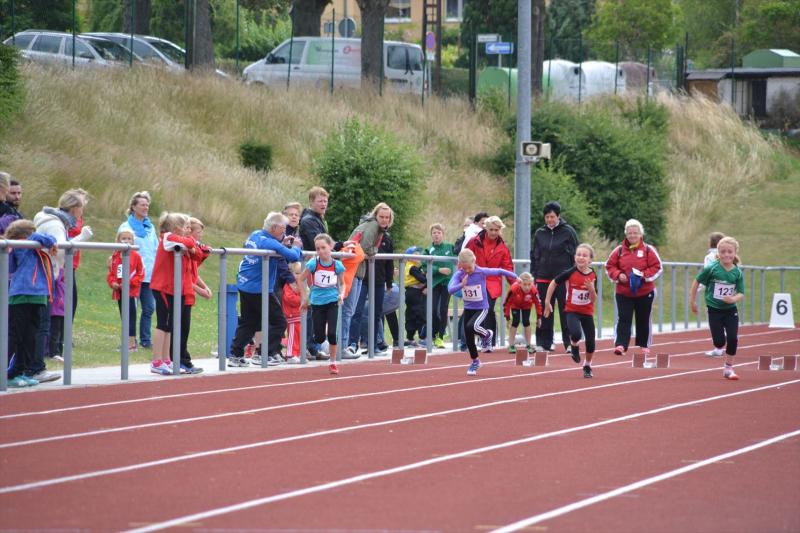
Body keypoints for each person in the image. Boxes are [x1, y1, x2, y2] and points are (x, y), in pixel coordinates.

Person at [228, 212, 303, 367]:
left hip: (245, 284)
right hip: (259, 288)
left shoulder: (256, 235)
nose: (285, 232)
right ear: (274, 227)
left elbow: (272, 246)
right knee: (279, 322)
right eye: (283, 229)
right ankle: (265, 353)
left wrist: (281, 242)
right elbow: (293, 256)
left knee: (249, 322)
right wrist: (296, 247)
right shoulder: (269, 242)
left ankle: (235, 354)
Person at [33, 189, 93, 370]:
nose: (82, 212)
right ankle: (36, 366)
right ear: (74, 208)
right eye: (81, 208)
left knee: (43, 321)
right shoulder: (56, 224)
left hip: (46, 273)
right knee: (43, 322)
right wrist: (82, 238)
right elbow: (60, 250)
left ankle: (35, 365)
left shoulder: (57, 221)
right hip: (45, 274)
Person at [149, 212, 203, 375]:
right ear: (176, 228)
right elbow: (190, 243)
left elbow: (198, 253)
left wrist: (191, 245)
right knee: (163, 324)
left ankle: (167, 360)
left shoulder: (178, 241)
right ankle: (156, 361)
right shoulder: (168, 237)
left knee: (169, 326)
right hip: (163, 287)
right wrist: (191, 242)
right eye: (186, 227)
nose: (189, 230)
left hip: (173, 289)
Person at [448, 248, 517, 376]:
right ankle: (475, 361)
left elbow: (499, 271)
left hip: (482, 307)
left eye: (469, 268)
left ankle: (487, 335)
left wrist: (516, 278)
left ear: (474, 261)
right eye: (464, 268)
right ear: (460, 265)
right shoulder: (459, 274)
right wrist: (461, 285)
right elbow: (450, 289)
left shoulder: (481, 271)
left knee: (472, 326)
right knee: (469, 337)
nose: (467, 271)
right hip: (468, 308)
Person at [5, 220, 57, 388]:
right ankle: (8, 372)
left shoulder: (34, 248)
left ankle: (21, 371)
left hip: (38, 296)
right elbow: (47, 239)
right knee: (16, 335)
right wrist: (41, 239)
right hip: (22, 295)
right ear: (25, 236)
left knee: (30, 337)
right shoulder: (22, 246)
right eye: (33, 233)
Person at [605, 219, 663, 357]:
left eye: (635, 233)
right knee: (623, 318)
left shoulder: (648, 250)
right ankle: (621, 344)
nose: (632, 235)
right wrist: (618, 275)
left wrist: (643, 276)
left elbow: (658, 267)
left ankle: (644, 345)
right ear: (626, 234)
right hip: (623, 292)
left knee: (643, 318)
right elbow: (609, 266)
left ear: (641, 234)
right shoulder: (619, 250)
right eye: (629, 233)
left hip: (644, 292)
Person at [690, 237, 744, 380]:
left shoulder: (737, 272)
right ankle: (720, 342)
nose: (726, 255)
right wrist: (692, 301)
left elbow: (741, 293)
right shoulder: (712, 268)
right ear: (718, 253)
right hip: (714, 309)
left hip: (730, 310)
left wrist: (733, 299)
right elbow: (696, 282)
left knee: (733, 338)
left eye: (729, 252)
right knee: (719, 342)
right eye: (723, 252)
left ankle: (728, 368)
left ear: (735, 253)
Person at [345, 202, 393, 357]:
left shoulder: (384, 234)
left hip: (376, 278)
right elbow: (365, 247)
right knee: (356, 311)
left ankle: (373, 345)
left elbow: (389, 262)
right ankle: (352, 344)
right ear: (375, 216)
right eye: (381, 216)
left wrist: (389, 282)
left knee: (376, 312)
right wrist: (374, 250)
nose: (384, 220)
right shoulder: (372, 226)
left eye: (387, 217)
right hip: (361, 274)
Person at [543, 244, 599, 378]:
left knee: (591, 343)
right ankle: (574, 345)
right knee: (576, 333)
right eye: (578, 255)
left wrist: (591, 289)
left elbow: (593, 299)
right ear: (574, 257)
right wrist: (547, 301)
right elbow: (553, 283)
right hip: (572, 310)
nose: (581, 257)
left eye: (584, 255)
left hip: (587, 312)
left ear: (590, 260)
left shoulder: (593, 275)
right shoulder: (570, 272)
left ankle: (587, 366)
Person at [530, 201, 579, 353]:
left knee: (566, 310)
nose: (550, 220)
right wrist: (534, 275)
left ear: (558, 216)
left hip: (563, 278)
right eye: (547, 217)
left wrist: (574, 274)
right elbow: (535, 255)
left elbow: (576, 254)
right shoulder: (539, 233)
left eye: (552, 217)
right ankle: (544, 342)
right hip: (543, 277)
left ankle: (569, 343)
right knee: (544, 310)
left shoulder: (568, 231)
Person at [465, 215, 513, 351]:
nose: (493, 232)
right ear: (485, 228)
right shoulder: (474, 241)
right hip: (475, 281)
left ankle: (488, 342)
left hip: (492, 283)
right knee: (476, 311)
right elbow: (465, 257)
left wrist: (514, 283)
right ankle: (481, 338)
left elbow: (508, 267)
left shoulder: (503, 248)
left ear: (500, 230)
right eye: (491, 229)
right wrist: (461, 275)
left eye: (496, 230)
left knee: (488, 309)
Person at [119, 192, 159, 349]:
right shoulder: (126, 227)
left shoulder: (150, 227)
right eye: (142, 204)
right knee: (131, 309)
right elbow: (120, 249)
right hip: (133, 275)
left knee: (149, 308)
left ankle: (145, 340)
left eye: (147, 205)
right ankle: (130, 340)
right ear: (134, 207)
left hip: (149, 275)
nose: (146, 207)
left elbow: (155, 248)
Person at [302, 233, 346, 374]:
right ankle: (321, 335)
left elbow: (342, 283)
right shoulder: (313, 263)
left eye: (323, 247)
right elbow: (301, 279)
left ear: (330, 247)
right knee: (319, 337)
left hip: (332, 301)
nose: (320, 251)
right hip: (317, 303)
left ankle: (332, 362)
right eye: (318, 248)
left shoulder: (337, 265)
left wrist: (341, 294)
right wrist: (305, 298)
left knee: (332, 334)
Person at [299, 187, 330, 360]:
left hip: (317, 269)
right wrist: (336, 248)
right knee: (310, 308)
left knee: (315, 309)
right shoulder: (309, 221)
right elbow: (318, 244)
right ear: (311, 202)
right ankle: (307, 347)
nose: (323, 204)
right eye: (320, 201)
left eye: (325, 201)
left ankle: (312, 346)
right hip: (311, 268)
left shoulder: (318, 219)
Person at [107, 228, 145, 352]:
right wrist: (113, 283)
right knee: (124, 317)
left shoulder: (136, 256)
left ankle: (131, 344)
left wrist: (129, 283)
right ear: (118, 240)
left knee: (131, 317)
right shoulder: (115, 256)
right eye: (124, 238)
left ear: (133, 241)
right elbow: (111, 273)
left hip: (131, 292)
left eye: (129, 239)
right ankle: (126, 342)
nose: (126, 241)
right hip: (119, 292)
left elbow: (141, 274)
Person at [425, 223, 455, 348]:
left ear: (443, 234)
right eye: (434, 233)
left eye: (439, 233)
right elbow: (424, 266)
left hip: (447, 283)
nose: (436, 235)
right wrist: (438, 270)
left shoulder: (450, 247)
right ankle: (434, 334)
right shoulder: (428, 250)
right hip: (435, 283)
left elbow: (459, 259)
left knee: (443, 309)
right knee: (433, 310)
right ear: (431, 235)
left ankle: (440, 337)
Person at [502, 272, 543, 353]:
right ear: (520, 283)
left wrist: (539, 317)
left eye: (529, 284)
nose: (527, 287)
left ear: (532, 283)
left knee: (526, 322)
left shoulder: (533, 290)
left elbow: (538, 304)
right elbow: (507, 303)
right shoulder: (513, 289)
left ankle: (528, 345)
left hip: (527, 305)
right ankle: (511, 345)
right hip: (515, 304)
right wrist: (507, 318)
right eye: (524, 284)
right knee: (515, 322)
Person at [701, 232, 726, 357]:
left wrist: (700, 286)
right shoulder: (728, 255)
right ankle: (727, 333)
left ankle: (718, 347)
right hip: (727, 289)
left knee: (714, 318)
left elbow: (708, 273)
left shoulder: (709, 257)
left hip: (713, 291)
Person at [403, 247, 427, 345]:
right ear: (409, 257)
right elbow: (423, 279)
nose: (418, 256)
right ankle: (422, 337)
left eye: (418, 253)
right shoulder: (412, 268)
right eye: (415, 254)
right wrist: (426, 276)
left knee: (411, 314)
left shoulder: (411, 266)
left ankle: (410, 338)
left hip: (411, 292)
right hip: (414, 292)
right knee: (419, 314)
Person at [281, 262, 305, 364]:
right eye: (297, 273)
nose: (299, 275)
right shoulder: (289, 285)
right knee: (292, 335)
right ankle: (290, 354)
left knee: (299, 336)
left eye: (301, 273)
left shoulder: (301, 284)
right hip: (292, 314)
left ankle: (297, 353)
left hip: (299, 314)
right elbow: (289, 298)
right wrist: (302, 299)